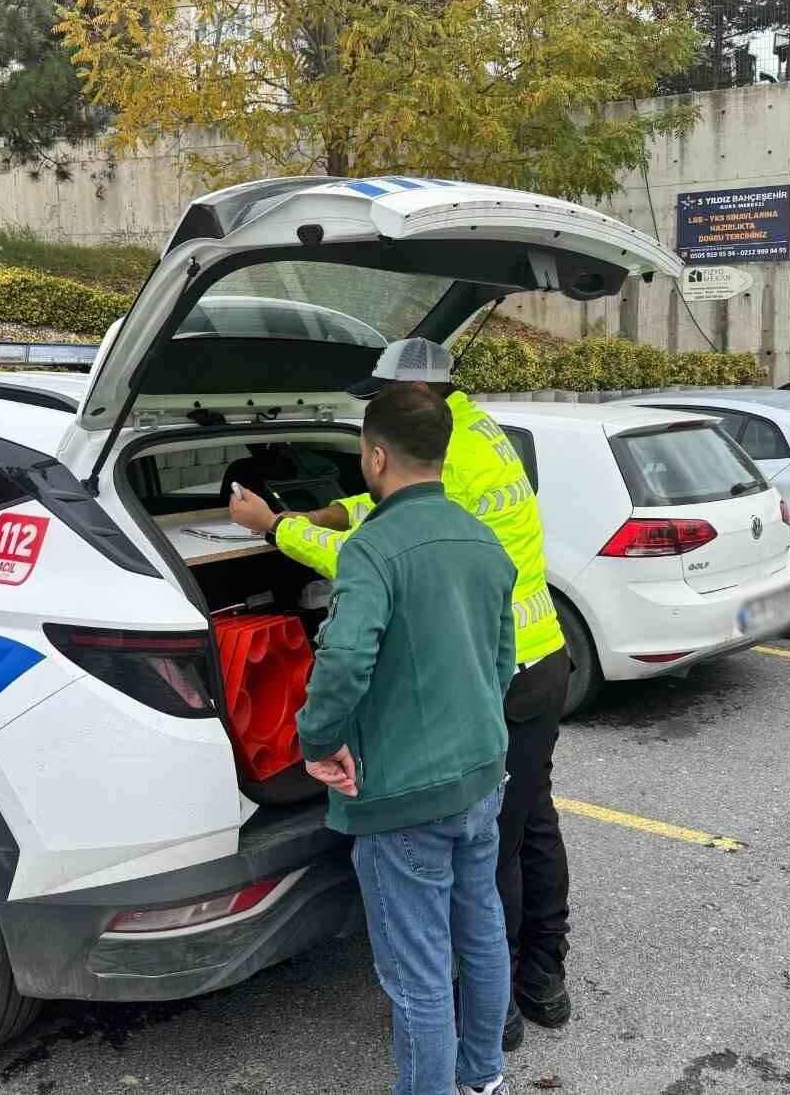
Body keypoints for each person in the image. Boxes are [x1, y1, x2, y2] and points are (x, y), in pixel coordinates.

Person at [230, 337, 573, 1049]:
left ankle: (497, 1011)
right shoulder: (475, 431)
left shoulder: (451, 460)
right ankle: (545, 978)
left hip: (495, 670)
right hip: (541, 657)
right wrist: (332, 509)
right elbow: (399, 498)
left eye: (385, 399)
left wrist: (278, 529)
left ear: (409, 399)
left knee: (496, 852)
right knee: (531, 822)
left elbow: (380, 556)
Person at [287, 384, 515, 1095]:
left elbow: (347, 657)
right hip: (481, 778)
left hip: (403, 798)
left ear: (376, 455)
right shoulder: (484, 539)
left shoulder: (372, 547)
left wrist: (316, 738)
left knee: (416, 974)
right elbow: (501, 659)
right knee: (481, 934)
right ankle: (484, 1077)